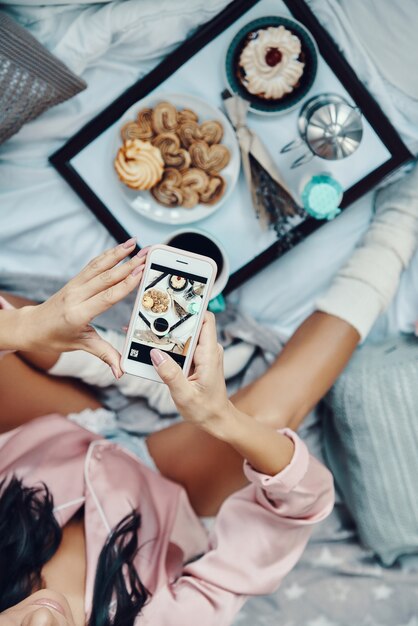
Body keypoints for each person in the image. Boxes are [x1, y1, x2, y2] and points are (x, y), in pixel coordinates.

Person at [0, 162, 417, 625]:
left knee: (20, 322)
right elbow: (300, 504)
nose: (39, 622)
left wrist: (26, 327)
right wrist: (222, 417)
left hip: (55, 436)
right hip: (167, 490)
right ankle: (403, 222)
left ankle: (129, 373)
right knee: (269, 414)